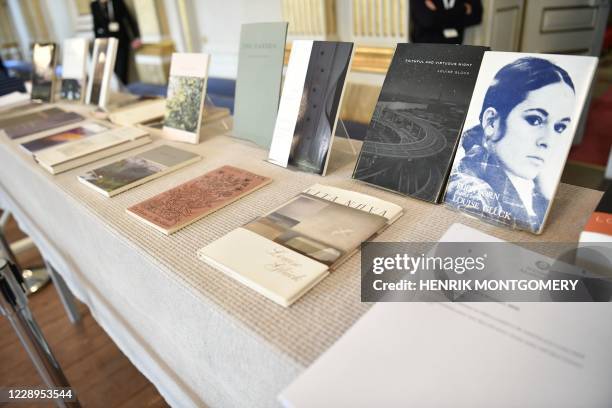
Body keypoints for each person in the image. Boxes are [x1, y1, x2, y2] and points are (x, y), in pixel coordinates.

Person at [445, 57, 576, 233]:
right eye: (535, 119)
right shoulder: (474, 192)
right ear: (492, 122)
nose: (548, 141)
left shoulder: (536, 194)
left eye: (559, 127)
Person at [90, 0, 141, 85]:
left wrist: (135, 37)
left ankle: (123, 87)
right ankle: (117, 88)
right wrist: (98, 43)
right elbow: (96, 26)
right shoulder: (94, 5)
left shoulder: (117, 2)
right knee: (112, 69)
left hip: (121, 41)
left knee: (122, 69)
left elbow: (128, 19)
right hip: (107, 43)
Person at [410, 0, 483, 44]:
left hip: (455, 48)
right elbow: (427, 20)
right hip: (424, 47)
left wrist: (437, 13)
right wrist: (462, 9)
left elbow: (476, 17)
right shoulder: (462, 9)